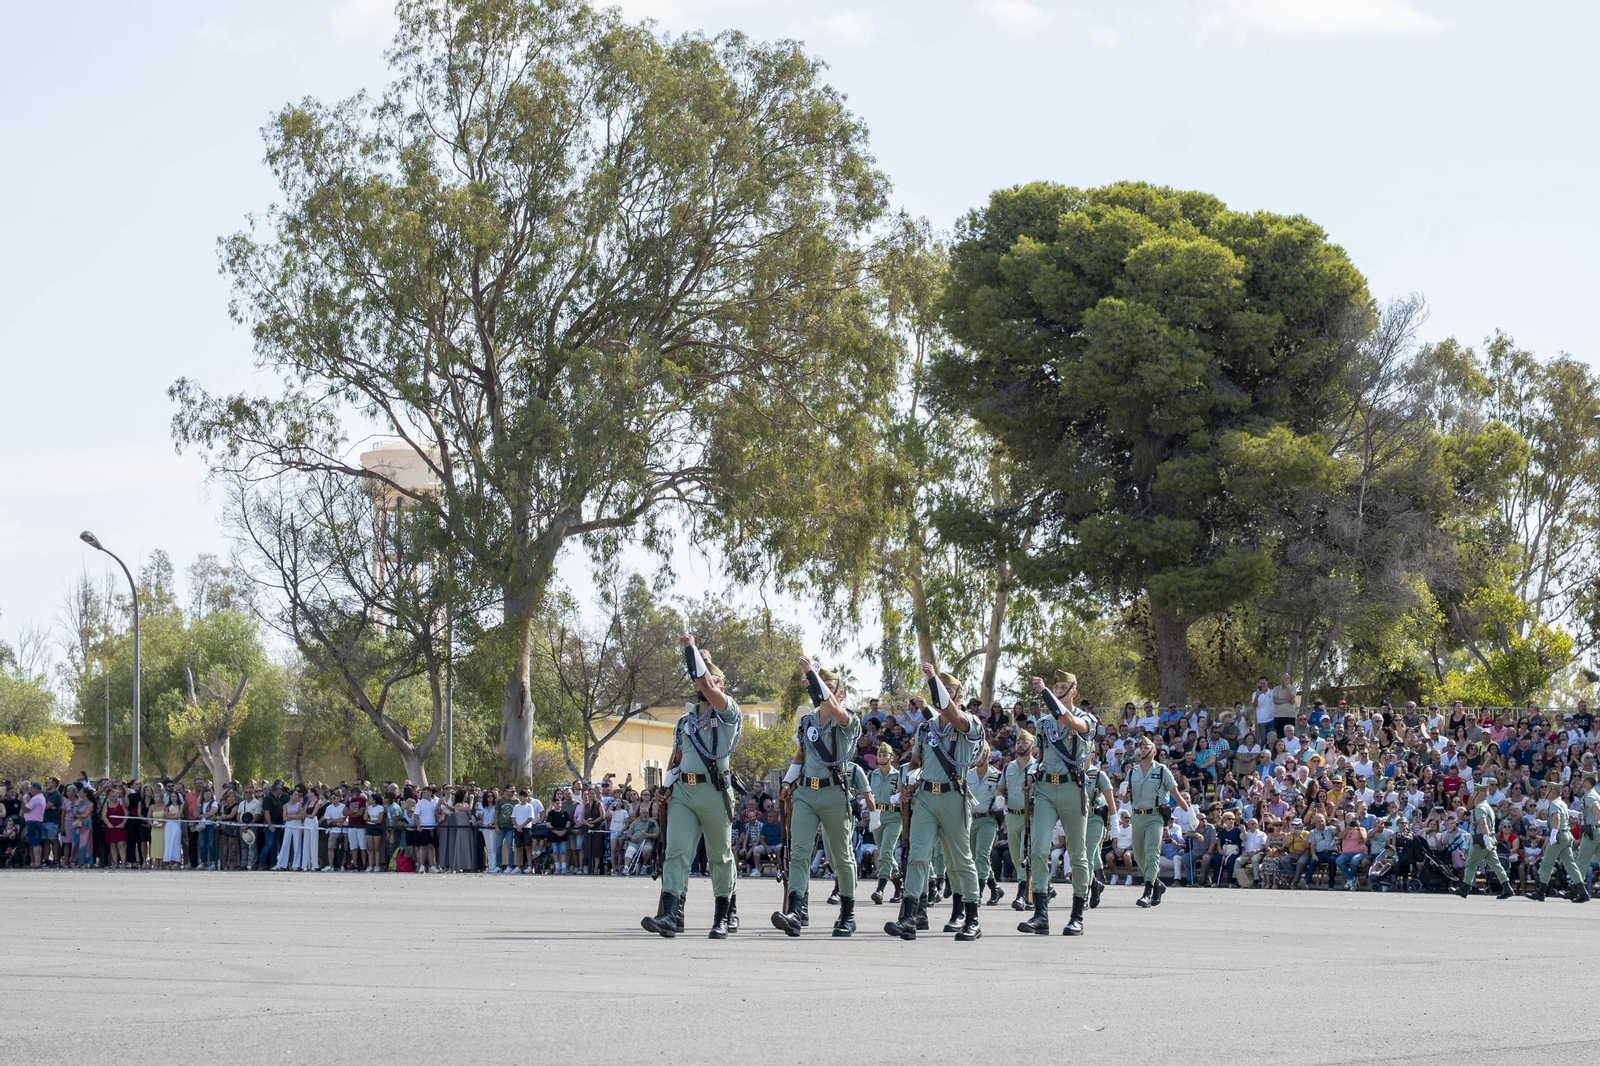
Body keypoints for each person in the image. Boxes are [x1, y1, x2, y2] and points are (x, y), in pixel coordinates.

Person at [642, 634, 742, 940]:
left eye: (712, 680)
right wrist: (666, 787)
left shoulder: (728, 713)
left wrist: (691, 650)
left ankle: (723, 915)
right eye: (702, 677)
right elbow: (677, 758)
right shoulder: (685, 721)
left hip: (714, 791)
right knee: (675, 852)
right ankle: (671, 914)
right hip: (685, 792)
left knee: (720, 856)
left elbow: (707, 685)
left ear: (722, 687)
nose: (705, 684)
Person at [883, 664, 983, 943]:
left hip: (954, 795)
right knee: (917, 855)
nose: (945, 697)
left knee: (961, 859)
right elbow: (916, 761)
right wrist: (910, 783)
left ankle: (972, 919)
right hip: (926, 795)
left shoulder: (968, 722)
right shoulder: (926, 728)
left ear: (959, 697)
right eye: (943, 691)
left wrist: (933, 680)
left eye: (950, 692)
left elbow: (948, 710)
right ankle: (910, 917)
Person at [774, 658, 863, 936]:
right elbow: (801, 755)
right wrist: (788, 782)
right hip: (806, 795)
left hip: (834, 793)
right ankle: (795, 910)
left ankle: (848, 913)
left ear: (841, 692)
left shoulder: (847, 720)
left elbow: (832, 709)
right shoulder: (807, 721)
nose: (822, 689)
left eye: (829, 685)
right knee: (799, 852)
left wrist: (811, 673)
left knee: (841, 857)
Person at [1018, 673, 1095, 937]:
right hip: (1046, 789)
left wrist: (1045, 695)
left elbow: (1070, 721)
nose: (1059, 690)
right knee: (1038, 848)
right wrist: (1030, 771)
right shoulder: (1042, 723)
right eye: (1056, 688)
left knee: (1077, 852)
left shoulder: (1086, 718)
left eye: (1064, 688)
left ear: (1074, 691)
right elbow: (1038, 755)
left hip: (1073, 787)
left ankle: (1077, 915)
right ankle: (1041, 913)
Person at [1125, 734, 1197, 908]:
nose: (1142, 750)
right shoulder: (1132, 772)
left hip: (1155, 817)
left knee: (1151, 852)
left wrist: (1190, 815)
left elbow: (1176, 795)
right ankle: (1157, 884)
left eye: (1146, 748)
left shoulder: (1162, 771)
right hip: (1137, 815)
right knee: (1139, 855)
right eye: (1141, 748)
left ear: (1154, 751)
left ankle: (1148, 892)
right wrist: (1122, 792)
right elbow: (1126, 797)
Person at [1528, 779, 1588, 902]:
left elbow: (1557, 819)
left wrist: (1553, 834)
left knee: (1546, 863)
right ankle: (1582, 891)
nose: (1545, 792)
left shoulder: (1555, 804)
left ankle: (1540, 892)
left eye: (1548, 790)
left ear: (1553, 792)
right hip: (1566, 836)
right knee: (1570, 864)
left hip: (1559, 836)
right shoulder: (1561, 803)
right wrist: (1544, 823)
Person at [1455, 779, 1514, 900]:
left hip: (1481, 841)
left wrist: (1485, 839)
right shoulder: (1488, 807)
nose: (1471, 796)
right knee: (1496, 865)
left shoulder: (1480, 808)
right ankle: (1507, 887)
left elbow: (1483, 823)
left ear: (1478, 794)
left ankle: (1464, 888)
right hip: (1488, 839)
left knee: (1470, 863)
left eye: (1473, 793)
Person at [998, 730, 1036, 911]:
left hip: (1030, 816)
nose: (1020, 746)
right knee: (1015, 856)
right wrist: (999, 799)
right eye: (1018, 743)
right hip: (1011, 816)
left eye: (1024, 743)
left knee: (1024, 855)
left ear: (1032, 747)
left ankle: (1022, 894)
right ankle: (1042, 889)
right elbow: (1000, 788)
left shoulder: (1038, 767)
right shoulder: (1008, 767)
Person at [866, 742, 905, 905]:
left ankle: (880, 889)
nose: (882, 757)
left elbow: (904, 793)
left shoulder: (898, 776)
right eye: (880, 755)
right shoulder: (872, 775)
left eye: (885, 755)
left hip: (893, 817)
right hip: (877, 815)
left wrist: (900, 795)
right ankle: (899, 884)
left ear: (891, 757)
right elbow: (866, 793)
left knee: (886, 852)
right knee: (884, 853)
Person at [965, 742, 1003, 907]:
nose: (977, 757)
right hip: (970, 819)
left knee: (982, 854)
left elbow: (1002, 796)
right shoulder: (968, 775)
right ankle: (994, 887)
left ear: (988, 756)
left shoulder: (998, 775)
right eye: (976, 754)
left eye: (981, 754)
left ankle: (978, 891)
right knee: (973, 857)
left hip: (988, 819)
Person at [1084, 756, 1116, 907]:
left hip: (1095, 818)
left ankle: (1084, 891)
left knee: (1088, 854)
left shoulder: (1098, 775)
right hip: (1077, 818)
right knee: (1079, 856)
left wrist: (1112, 824)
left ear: (1092, 755)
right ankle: (1095, 885)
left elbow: (1110, 800)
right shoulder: (1071, 773)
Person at [1576, 772, 1600, 891]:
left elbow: (1597, 811)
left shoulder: (1590, 796)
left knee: (1581, 861)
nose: (1580, 782)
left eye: (1582, 779)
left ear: (1586, 782)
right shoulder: (1593, 794)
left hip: (1591, 832)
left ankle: (1577, 889)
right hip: (1597, 831)